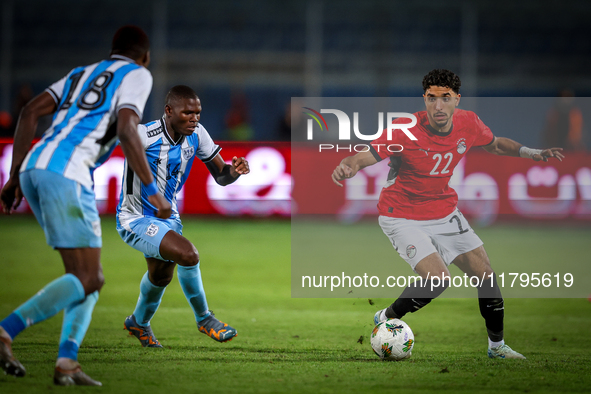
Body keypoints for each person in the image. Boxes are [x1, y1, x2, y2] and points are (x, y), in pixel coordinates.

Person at [331, 69, 564, 359]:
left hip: (443, 212)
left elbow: (494, 144)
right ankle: (389, 316)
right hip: (401, 215)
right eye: (431, 98)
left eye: (445, 98)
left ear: (457, 100)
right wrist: (348, 165)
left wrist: (530, 152)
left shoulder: (469, 122)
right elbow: (364, 155)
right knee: (438, 280)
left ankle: (497, 348)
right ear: (424, 99)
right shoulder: (405, 130)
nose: (438, 106)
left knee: (486, 275)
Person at [0, 25, 171, 386]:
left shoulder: (81, 73)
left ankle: (67, 362)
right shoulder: (138, 74)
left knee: (86, 278)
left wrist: (14, 175)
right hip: (68, 172)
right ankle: (5, 332)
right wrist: (152, 190)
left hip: (35, 166)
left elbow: (30, 111)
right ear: (145, 55)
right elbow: (127, 129)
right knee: (89, 277)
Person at [118, 85, 249, 347]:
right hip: (135, 218)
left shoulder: (197, 134)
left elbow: (221, 176)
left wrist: (234, 172)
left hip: (169, 219)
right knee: (188, 254)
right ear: (168, 111)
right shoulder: (145, 134)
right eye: (187, 112)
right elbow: (125, 139)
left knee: (161, 277)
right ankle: (204, 319)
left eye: (197, 113)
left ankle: (138, 323)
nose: (194, 118)